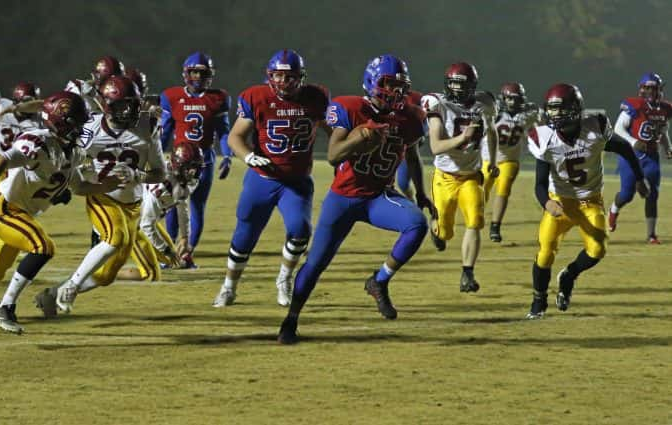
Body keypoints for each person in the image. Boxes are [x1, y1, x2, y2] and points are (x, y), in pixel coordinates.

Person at [277, 55, 432, 344]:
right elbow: (334, 155)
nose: (394, 92)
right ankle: (291, 319)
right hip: (343, 198)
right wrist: (360, 137)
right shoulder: (350, 108)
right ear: (372, 82)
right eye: (388, 84)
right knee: (316, 263)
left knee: (416, 225)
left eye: (400, 86)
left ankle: (379, 281)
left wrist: (421, 192)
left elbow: (412, 155)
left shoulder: (410, 118)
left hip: (378, 196)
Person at [0, 91, 118, 333]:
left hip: (22, 213)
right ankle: (5, 307)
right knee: (43, 247)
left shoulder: (72, 151)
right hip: (4, 208)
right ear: (61, 122)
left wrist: (110, 184)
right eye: (76, 123)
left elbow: (80, 187)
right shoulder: (38, 142)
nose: (81, 129)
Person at [34, 75, 166, 317]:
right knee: (114, 237)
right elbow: (66, 154)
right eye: (121, 105)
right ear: (106, 105)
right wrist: (74, 174)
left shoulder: (148, 126)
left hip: (133, 203)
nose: (129, 111)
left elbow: (160, 172)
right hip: (102, 195)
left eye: (132, 104)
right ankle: (71, 287)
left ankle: (53, 294)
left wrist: (140, 176)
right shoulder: (89, 128)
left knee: (107, 275)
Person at [211, 49, 330, 308]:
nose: (284, 83)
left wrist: (345, 149)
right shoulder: (256, 97)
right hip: (262, 178)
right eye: (279, 76)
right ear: (269, 76)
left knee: (300, 231)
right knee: (245, 235)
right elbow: (235, 137)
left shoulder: (315, 97)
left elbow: (333, 131)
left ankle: (284, 279)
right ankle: (229, 287)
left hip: (296, 181)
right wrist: (248, 157)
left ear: (301, 77)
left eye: (290, 77)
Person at [526, 83, 649, 319]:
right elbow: (540, 183)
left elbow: (624, 148)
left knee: (598, 248)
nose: (555, 115)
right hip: (560, 201)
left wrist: (639, 178)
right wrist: (546, 203)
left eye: (560, 109)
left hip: (589, 201)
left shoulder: (595, 127)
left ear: (575, 109)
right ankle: (538, 300)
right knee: (545, 253)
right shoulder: (545, 138)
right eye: (552, 109)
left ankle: (569, 275)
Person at [422, 62, 498, 292]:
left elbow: (492, 131)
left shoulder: (484, 103)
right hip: (444, 177)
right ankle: (436, 229)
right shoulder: (438, 104)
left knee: (475, 221)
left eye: (461, 84)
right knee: (445, 231)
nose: (456, 88)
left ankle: (467, 273)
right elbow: (435, 147)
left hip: (471, 176)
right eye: (453, 83)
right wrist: (463, 138)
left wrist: (492, 161)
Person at [160, 52, 233, 267]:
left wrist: (227, 155)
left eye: (203, 72)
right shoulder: (172, 97)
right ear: (186, 73)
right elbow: (165, 132)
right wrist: (156, 156)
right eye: (194, 72)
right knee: (172, 204)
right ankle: (170, 251)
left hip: (203, 160)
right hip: (178, 160)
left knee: (197, 205)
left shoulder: (218, 98)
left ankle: (187, 253)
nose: (199, 77)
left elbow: (224, 132)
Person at [117, 143, 204, 281]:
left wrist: (184, 237)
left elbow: (182, 206)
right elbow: (146, 226)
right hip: (131, 225)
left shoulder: (183, 180)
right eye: (190, 167)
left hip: (144, 219)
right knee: (152, 273)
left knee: (174, 260)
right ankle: (111, 274)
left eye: (196, 167)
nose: (194, 172)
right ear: (178, 165)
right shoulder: (160, 186)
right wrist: (166, 250)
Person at [608, 73, 672, 244]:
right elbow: (618, 128)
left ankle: (651, 235)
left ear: (659, 89)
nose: (650, 91)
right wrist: (633, 141)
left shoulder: (665, 109)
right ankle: (613, 210)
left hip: (651, 156)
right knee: (627, 194)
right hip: (631, 155)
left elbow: (663, 131)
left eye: (654, 87)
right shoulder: (635, 106)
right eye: (647, 87)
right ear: (641, 89)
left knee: (652, 194)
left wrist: (668, 148)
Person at [481, 82, 542, 242]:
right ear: (503, 99)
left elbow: (537, 129)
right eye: (509, 99)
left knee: (504, 187)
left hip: (510, 159)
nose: (513, 102)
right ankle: (476, 216)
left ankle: (495, 226)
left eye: (516, 99)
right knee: (483, 188)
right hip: (488, 158)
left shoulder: (528, 114)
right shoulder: (494, 113)